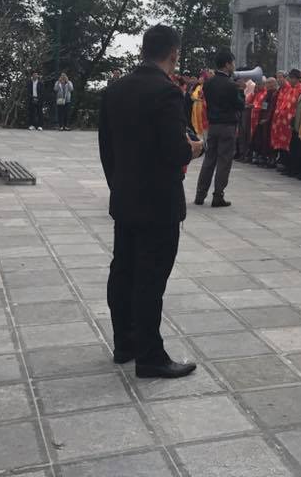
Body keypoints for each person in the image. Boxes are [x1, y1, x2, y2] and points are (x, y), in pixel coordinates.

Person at [98, 24, 204, 379]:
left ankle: (124, 342)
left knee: (123, 271)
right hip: (158, 203)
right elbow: (174, 151)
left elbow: (106, 149)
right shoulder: (166, 92)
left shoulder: (116, 89)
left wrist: (120, 185)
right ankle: (150, 356)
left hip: (126, 198)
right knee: (150, 279)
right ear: (173, 52)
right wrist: (195, 148)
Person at [194, 49, 245, 207]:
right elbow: (240, 105)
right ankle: (218, 196)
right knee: (224, 161)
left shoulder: (208, 83)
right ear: (227, 64)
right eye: (233, 63)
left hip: (213, 125)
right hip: (227, 125)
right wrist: (241, 92)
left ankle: (200, 195)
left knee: (209, 159)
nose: (234, 66)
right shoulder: (231, 85)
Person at [271, 69, 301, 170]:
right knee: (283, 143)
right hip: (283, 121)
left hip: (292, 122)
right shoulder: (290, 89)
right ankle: (284, 162)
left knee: (290, 144)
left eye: (290, 78)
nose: (288, 80)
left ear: (295, 78)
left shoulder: (300, 90)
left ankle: (288, 165)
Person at [251, 77, 279, 165]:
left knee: (269, 139)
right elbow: (264, 106)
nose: (266, 86)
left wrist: (266, 119)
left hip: (270, 120)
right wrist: (261, 117)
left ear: (272, 84)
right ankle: (263, 156)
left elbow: (272, 108)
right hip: (264, 118)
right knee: (262, 138)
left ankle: (272, 158)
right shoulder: (268, 94)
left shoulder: (275, 93)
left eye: (268, 83)